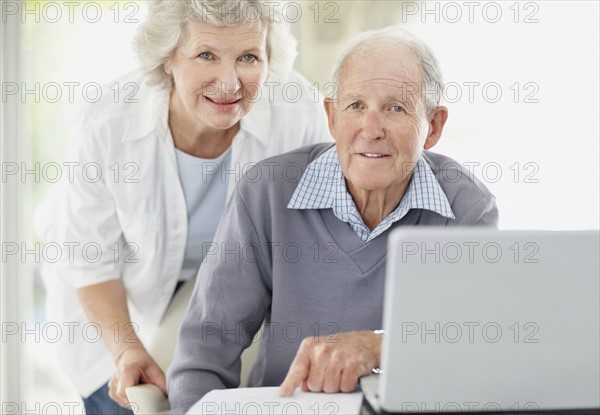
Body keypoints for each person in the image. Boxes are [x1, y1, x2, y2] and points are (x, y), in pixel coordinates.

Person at [167, 26, 499, 411]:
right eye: (356, 105)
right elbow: (204, 352)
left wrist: (380, 346)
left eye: (396, 108)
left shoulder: (467, 207)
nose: (370, 131)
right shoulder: (266, 192)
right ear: (331, 116)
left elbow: (476, 345)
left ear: (434, 127)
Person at [38, 0, 332, 413]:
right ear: (168, 60)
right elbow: (91, 262)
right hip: (117, 311)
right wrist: (126, 352)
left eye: (249, 57)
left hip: (229, 300)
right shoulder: (109, 122)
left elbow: (317, 237)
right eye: (206, 55)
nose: (229, 83)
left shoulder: (299, 112)